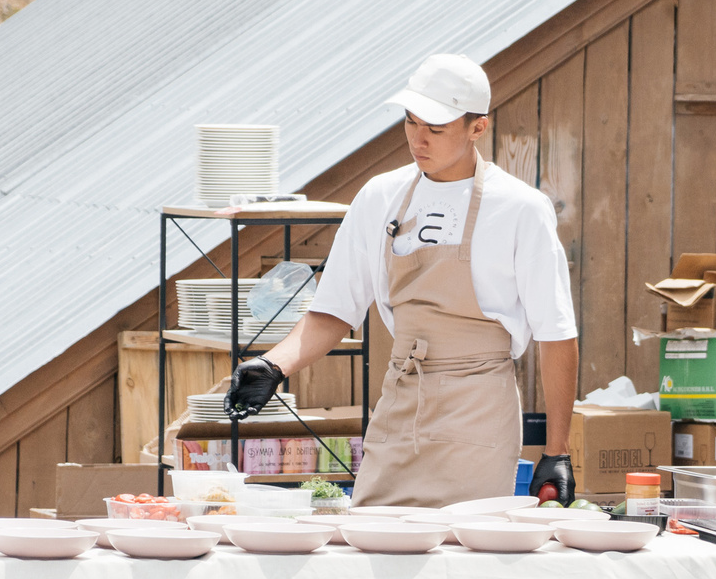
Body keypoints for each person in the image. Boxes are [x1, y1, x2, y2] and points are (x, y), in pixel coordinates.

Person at [228, 54, 580, 508]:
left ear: (478, 128)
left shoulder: (520, 208)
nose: (418, 138)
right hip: (401, 397)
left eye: (435, 128)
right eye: (411, 122)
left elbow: (556, 336)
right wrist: (274, 365)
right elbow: (336, 308)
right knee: (372, 544)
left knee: (462, 549)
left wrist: (557, 451)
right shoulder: (380, 196)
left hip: (479, 408)